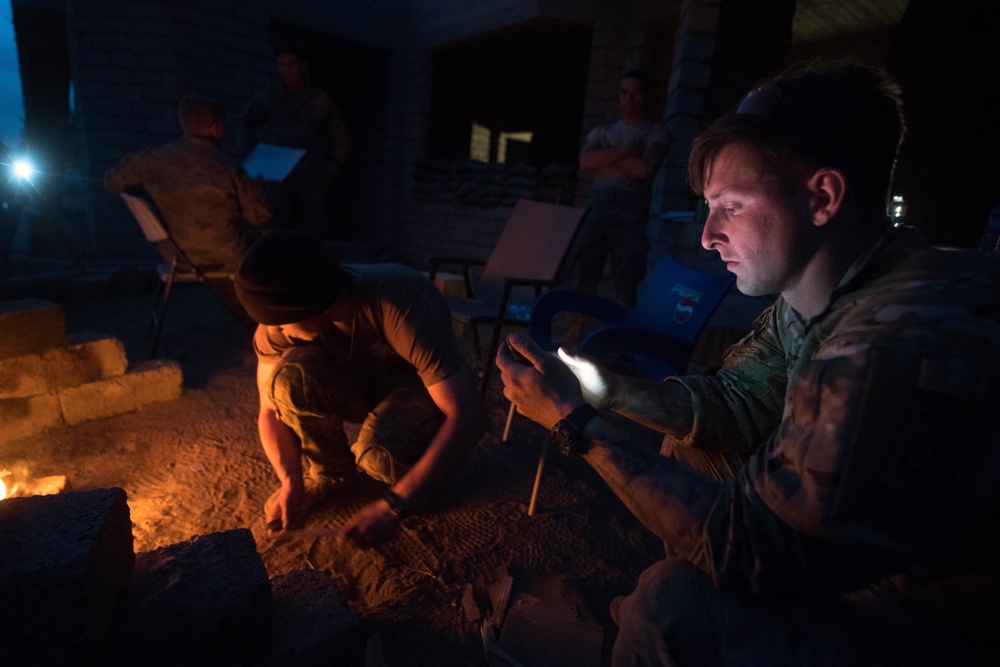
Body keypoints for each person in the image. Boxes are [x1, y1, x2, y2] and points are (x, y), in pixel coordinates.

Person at [498, 60, 1000, 666]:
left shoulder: (892, 346)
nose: (708, 234)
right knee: (688, 446)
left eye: (731, 205)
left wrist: (576, 422)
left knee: (668, 602)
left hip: (926, 619)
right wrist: (599, 389)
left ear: (822, 197)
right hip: (868, 559)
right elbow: (731, 404)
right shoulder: (822, 292)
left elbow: (753, 547)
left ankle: (675, 631)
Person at [234, 230, 487, 548]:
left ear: (317, 305)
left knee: (378, 456)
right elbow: (269, 411)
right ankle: (333, 475)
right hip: (359, 383)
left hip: (415, 387)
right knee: (289, 379)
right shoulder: (279, 323)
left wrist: (395, 505)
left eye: (281, 321)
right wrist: (291, 482)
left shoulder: (400, 302)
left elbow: (469, 415)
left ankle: (422, 473)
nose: (274, 329)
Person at [105, 93, 271, 274]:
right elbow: (260, 217)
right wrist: (259, 186)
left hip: (179, 260)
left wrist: (146, 194)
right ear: (215, 127)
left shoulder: (151, 161)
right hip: (230, 259)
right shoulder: (230, 169)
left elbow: (111, 182)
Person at [572, 68, 669, 310]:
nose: (630, 99)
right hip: (598, 203)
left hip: (631, 206)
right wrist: (627, 151)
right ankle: (574, 332)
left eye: (637, 93)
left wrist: (604, 157)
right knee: (586, 269)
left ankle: (622, 337)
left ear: (646, 95)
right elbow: (585, 162)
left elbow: (644, 169)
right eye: (624, 93)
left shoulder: (656, 131)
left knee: (627, 274)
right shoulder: (602, 131)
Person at [239, 40, 350, 236]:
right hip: (276, 176)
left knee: (311, 231)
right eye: (282, 65)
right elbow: (245, 124)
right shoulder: (269, 96)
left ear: (302, 65)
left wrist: (333, 166)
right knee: (277, 229)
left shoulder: (320, 101)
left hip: (310, 176)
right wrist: (253, 160)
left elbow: (339, 136)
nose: (287, 70)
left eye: (291, 64)